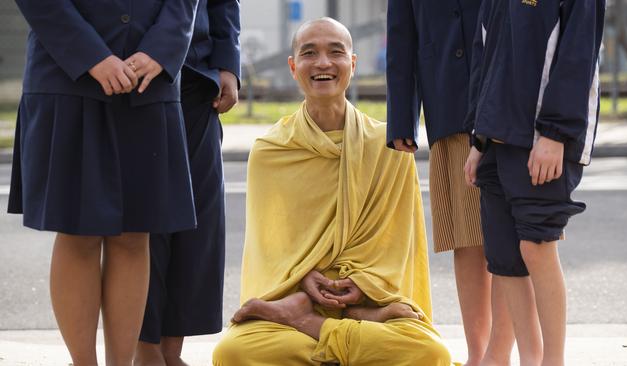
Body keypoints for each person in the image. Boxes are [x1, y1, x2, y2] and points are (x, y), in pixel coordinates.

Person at [212, 18, 457, 366]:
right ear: (294, 66)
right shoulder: (271, 151)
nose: (323, 63)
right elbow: (269, 251)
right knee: (233, 353)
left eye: (335, 52)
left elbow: (398, 244)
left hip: (371, 302)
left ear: (352, 64)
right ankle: (323, 325)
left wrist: (362, 287)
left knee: (430, 353)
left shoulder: (390, 146)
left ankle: (315, 326)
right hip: (296, 297)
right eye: (309, 53)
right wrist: (300, 277)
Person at [8, 1, 198, 365]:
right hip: (68, 77)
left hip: (149, 80)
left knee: (135, 233)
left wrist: (160, 49)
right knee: (78, 231)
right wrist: (91, 55)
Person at [464, 1, 606, 365]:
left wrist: (556, 133)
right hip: (495, 133)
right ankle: (531, 359)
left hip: (543, 136)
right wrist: (478, 139)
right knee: (505, 257)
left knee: (536, 246)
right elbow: (485, 53)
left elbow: (578, 53)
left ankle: (552, 361)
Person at [385, 2, 514, 365]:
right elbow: (401, 34)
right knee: (465, 239)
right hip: (448, 101)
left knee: (508, 238)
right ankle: (478, 354)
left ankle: (499, 353)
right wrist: (401, 119)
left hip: (504, 101)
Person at [135, 1, 240, 365]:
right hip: (136, 69)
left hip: (199, 77)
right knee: (146, 223)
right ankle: (144, 348)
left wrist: (228, 63)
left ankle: (170, 351)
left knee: (200, 220)